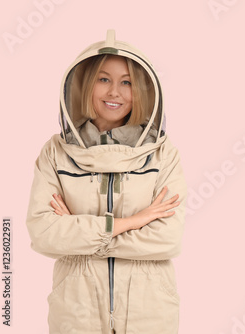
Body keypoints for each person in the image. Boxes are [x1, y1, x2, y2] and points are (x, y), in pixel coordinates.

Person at [25, 29, 187, 334]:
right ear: (85, 84)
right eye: (104, 79)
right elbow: (44, 233)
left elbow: (167, 239)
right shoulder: (56, 153)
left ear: (141, 90)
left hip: (149, 310)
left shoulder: (163, 154)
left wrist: (81, 234)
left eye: (126, 82)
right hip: (76, 312)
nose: (115, 92)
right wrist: (134, 221)